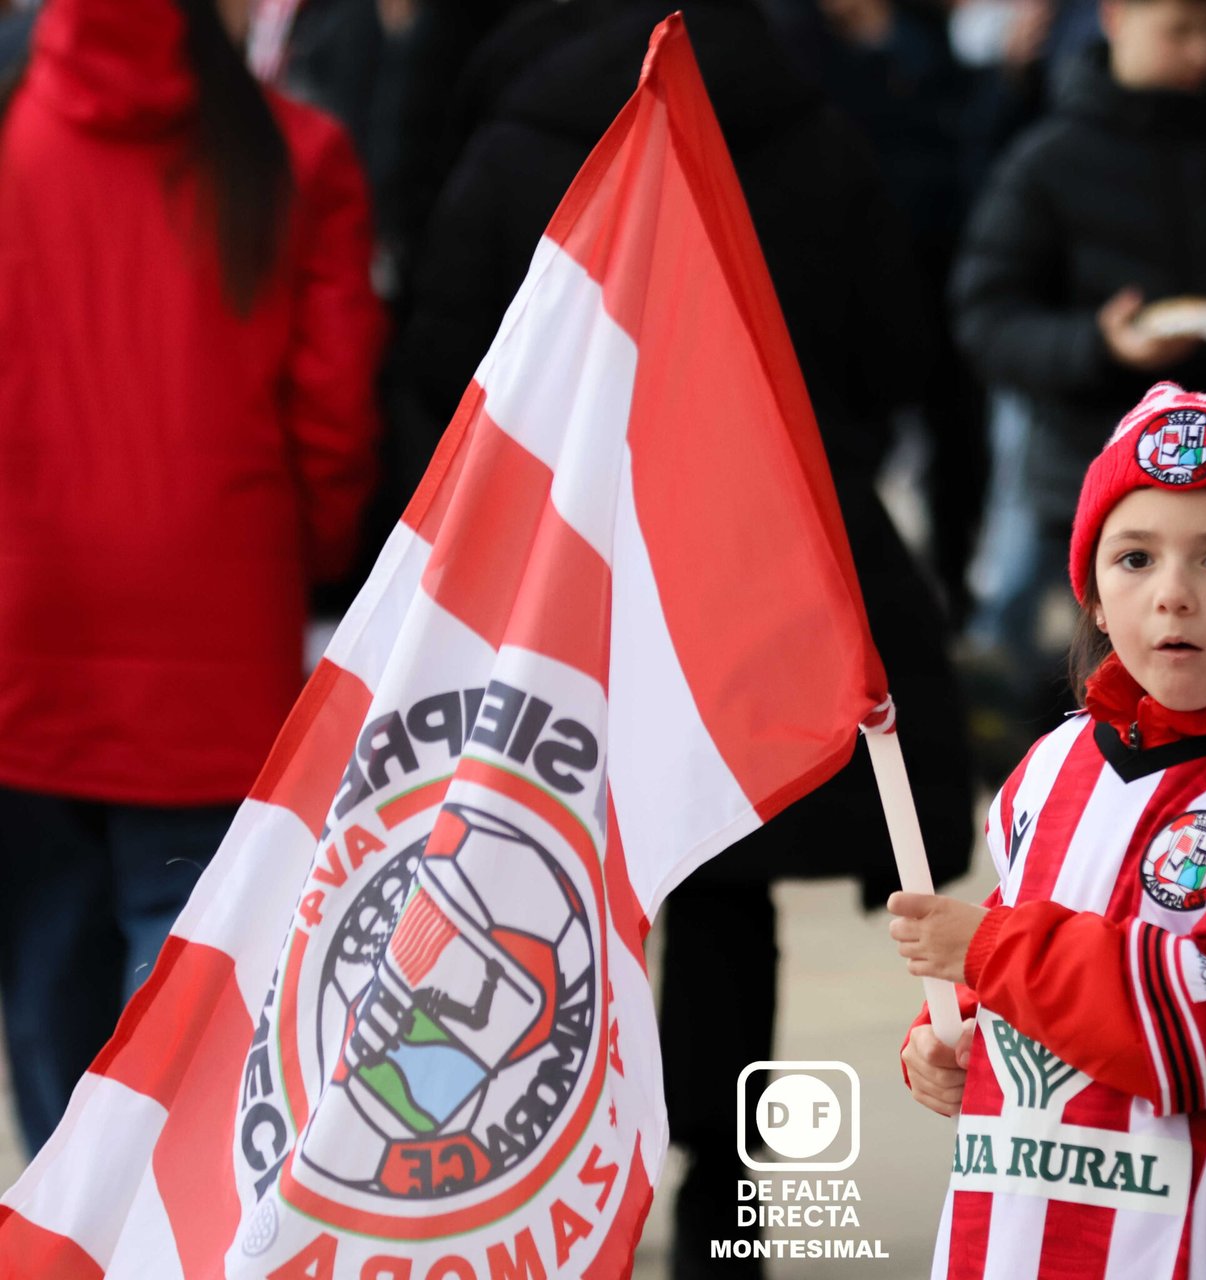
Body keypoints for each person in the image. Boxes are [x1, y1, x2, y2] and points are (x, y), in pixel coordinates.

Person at [390, 3, 974, 1274]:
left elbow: (441, 371)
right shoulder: (811, 126)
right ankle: (726, 1207)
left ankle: (527, 1191)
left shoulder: (511, 137)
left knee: (524, 883)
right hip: (750, 566)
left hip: (551, 584)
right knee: (721, 894)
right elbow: (892, 347)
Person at [889, 383, 1206, 1277]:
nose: (1172, 596)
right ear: (1091, 594)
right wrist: (953, 1032)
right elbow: (1044, 955)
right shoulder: (1048, 770)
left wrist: (989, 955)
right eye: (1134, 559)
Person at [0, 0, 384, 1153]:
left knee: (43, 983)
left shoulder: (11, 144)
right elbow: (333, 420)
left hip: (22, 624)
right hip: (219, 634)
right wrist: (301, 560)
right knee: (201, 999)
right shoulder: (295, 157)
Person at [951, 0, 1206, 705]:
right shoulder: (1046, 160)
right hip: (1088, 475)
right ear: (1117, 20)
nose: (1202, 52)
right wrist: (1098, 343)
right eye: (1180, 30)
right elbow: (986, 315)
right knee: (1091, 694)